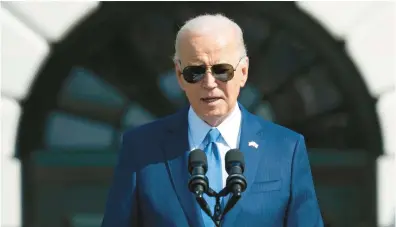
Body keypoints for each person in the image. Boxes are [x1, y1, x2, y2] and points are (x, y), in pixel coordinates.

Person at [101, 13, 324, 227]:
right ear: (180, 76)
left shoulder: (286, 148)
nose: (209, 82)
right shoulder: (141, 148)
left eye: (222, 70)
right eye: (195, 72)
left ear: (243, 72)